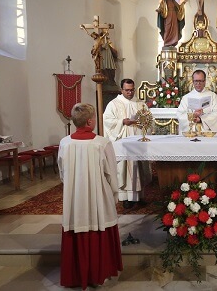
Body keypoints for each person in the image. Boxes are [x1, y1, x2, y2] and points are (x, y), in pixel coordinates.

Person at [58, 103, 123, 289]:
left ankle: (76, 275)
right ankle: (98, 274)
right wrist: (114, 194)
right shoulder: (102, 143)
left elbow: (62, 172)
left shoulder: (65, 143)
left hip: (74, 198)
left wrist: (73, 186)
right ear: (90, 121)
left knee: (76, 226)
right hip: (98, 199)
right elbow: (111, 172)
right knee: (98, 223)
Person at [103, 78, 149, 209]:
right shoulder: (114, 104)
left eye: (132, 90)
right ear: (121, 90)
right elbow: (107, 120)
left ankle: (139, 197)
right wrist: (122, 121)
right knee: (125, 169)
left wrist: (142, 121)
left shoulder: (141, 104)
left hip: (138, 140)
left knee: (139, 168)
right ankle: (126, 198)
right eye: (127, 90)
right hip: (123, 141)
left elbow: (149, 119)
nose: (130, 92)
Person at [177, 70, 217, 135]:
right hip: (191, 134)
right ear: (192, 81)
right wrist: (193, 116)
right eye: (196, 81)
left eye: (200, 81)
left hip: (208, 135)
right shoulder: (186, 97)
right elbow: (180, 114)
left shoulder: (212, 96)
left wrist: (201, 119)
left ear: (205, 81)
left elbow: (216, 114)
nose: (198, 83)